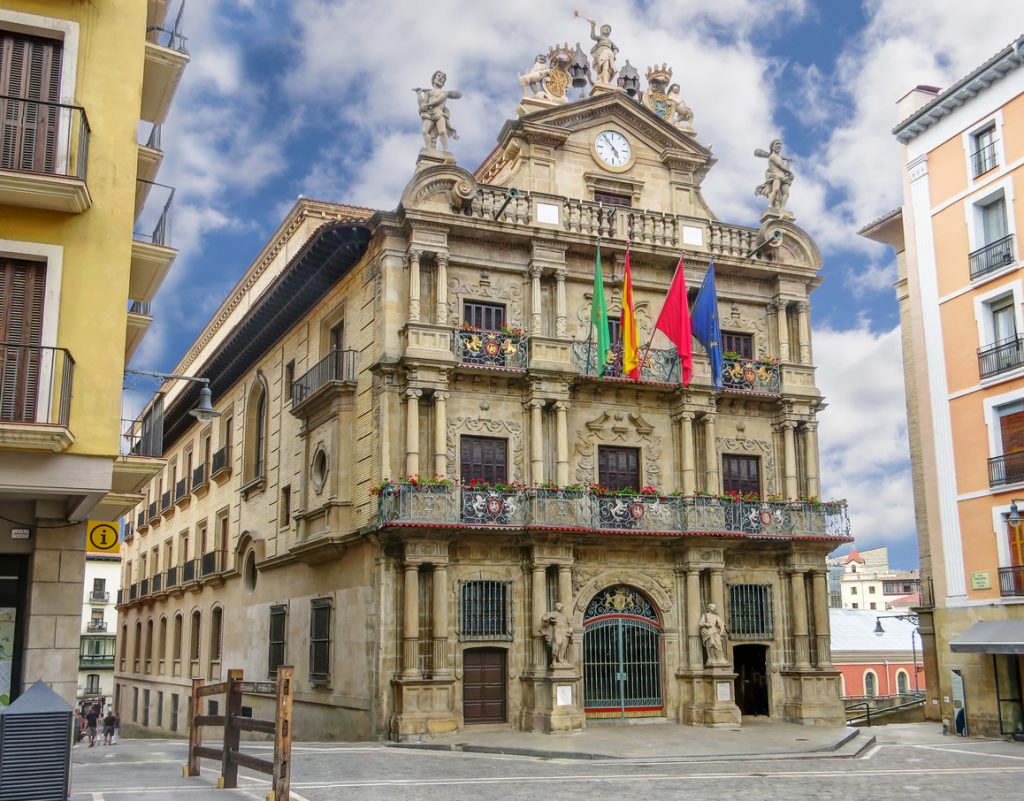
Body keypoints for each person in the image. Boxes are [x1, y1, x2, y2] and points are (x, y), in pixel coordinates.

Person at [414, 71, 462, 152]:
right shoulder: (428, 92)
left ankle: (446, 150)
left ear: (443, 82)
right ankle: (430, 150)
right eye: (438, 76)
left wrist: (426, 106)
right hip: (429, 114)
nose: (440, 77)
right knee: (425, 132)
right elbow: (422, 104)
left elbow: (438, 100)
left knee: (442, 131)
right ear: (434, 79)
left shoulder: (444, 92)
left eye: (443, 77)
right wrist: (418, 94)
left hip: (439, 113)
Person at [755, 139, 794, 212]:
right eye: (777, 144)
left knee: (786, 194)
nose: (779, 145)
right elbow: (780, 166)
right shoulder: (772, 157)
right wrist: (790, 172)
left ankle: (782, 209)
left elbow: (784, 169)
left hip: (783, 178)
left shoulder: (780, 158)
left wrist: (788, 163)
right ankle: (770, 206)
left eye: (780, 144)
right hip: (776, 177)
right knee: (775, 190)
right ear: (772, 147)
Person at [578, 15, 619, 85]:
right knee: (604, 66)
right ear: (602, 30)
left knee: (609, 67)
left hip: (609, 53)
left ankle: (605, 80)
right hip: (602, 52)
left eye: (609, 29)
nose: (607, 30)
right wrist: (593, 27)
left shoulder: (610, 41)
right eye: (606, 28)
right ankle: (603, 80)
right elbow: (593, 36)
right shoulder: (601, 38)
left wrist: (614, 54)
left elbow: (616, 49)